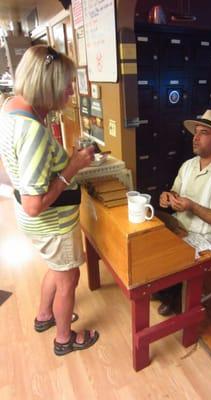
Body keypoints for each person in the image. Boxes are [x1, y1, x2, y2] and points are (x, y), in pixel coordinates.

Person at [0, 45, 99, 355]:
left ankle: (45, 316)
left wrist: (60, 162)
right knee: (69, 276)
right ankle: (64, 338)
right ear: (47, 85)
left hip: (34, 222)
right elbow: (35, 202)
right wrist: (73, 166)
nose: (71, 91)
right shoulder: (33, 132)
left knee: (56, 269)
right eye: (66, 84)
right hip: (51, 222)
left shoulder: (11, 107)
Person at [156, 109, 211, 316]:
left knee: (171, 253)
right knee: (149, 236)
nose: (195, 138)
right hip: (181, 227)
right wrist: (168, 197)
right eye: (196, 132)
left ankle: (174, 298)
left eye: (204, 133)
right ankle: (163, 289)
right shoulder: (188, 165)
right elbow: (175, 191)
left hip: (207, 239)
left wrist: (192, 206)